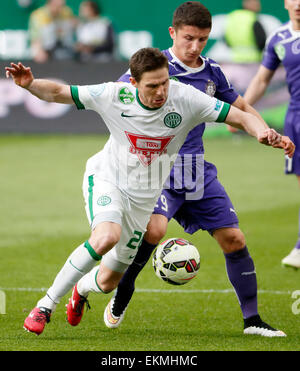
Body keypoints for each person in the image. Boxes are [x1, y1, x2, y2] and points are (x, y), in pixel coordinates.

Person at [5, 48, 292, 336]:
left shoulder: (185, 98)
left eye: (164, 82)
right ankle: (45, 305)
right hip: (108, 179)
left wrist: (262, 132)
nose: (161, 91)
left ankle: (80, 289)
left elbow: (239, 116)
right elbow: (59, 92)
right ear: (133, 83)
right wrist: (30, 84)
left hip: (144, 197)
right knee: (106, 237)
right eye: (152, 85)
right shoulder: (114, 95)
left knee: (107, 282)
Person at [103, 2, 294, 337]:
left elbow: (242, 107)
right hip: (158, 168)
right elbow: (117, 103)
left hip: (195, 170)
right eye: (189, 38)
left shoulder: (212, 71)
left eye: (202, 40)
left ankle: (252, 321)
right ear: (173, 33)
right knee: (153, 231)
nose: (195, 47)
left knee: (234, 239)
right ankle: (122, 294)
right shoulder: (153, 68)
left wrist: (264, 131)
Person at [244, 0, 300, 269]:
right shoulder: (279, 37)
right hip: (297, 121)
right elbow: (262, 79)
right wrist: (241, 109)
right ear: (286, 3)